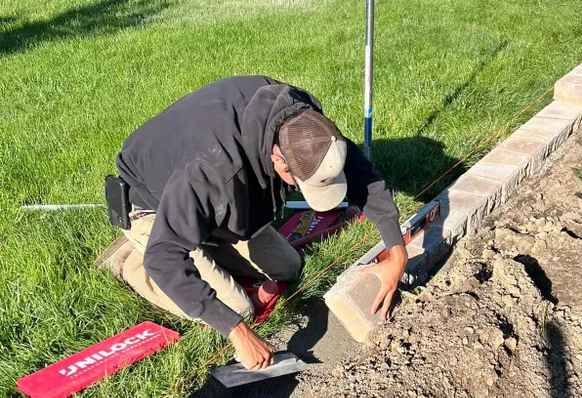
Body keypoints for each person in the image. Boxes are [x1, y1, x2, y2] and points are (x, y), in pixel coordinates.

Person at [99, 76, 407, 370]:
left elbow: (363, 178)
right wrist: (237, 331)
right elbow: (164, 256)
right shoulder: (212, 171)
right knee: (238, 310)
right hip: (150, 202)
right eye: (301, 183)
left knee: (288, 267)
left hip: (207, 192)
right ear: (278, 158)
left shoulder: (305, 126)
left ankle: (203, 234)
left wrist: (397, 249)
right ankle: (132, 261)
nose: (303, 190)